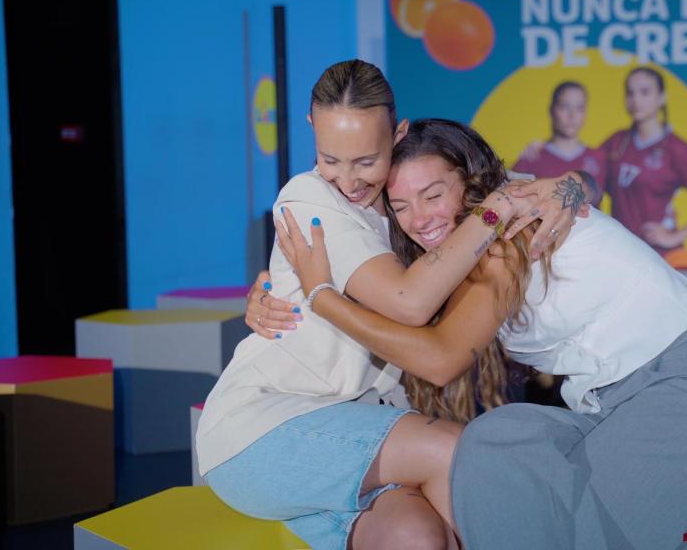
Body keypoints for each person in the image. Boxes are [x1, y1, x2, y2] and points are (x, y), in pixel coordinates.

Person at [276, 118, 687, 549]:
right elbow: (578, 184)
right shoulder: (471, 237)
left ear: (471, 182)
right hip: (611, 407)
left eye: (433, 194)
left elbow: (441, 359)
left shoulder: (504, 227)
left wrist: (321, 294)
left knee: (584, 525)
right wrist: (273, 291)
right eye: (401, 206)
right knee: (493, 443)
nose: (419, 219)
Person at [196, 60, 590, 550]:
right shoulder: (308, 197)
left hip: (358, 436)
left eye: (366, 161)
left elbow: (529, 187)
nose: (348, 181)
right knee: (455, 451)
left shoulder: (406, 199)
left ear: (397, 135)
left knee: (417, 537)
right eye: (330, 158)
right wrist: (501, 204)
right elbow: (408, 302)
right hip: (263, 429)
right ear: (311, 131)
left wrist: (569, 184)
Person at [601, 66, 687, 256]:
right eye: (630, 93)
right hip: (623, 253)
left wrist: (675, 237)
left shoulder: (675, 149)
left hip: (661, 257)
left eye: (645, 92)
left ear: (662, 97)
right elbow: (585, 174)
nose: (636, 100)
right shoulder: (617, 142)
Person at [512, 81, 605, 206]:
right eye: (565, 107)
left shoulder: (599, 158)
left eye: (579, 108)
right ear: (552, 110)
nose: (572, 115)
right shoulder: (532, 157)